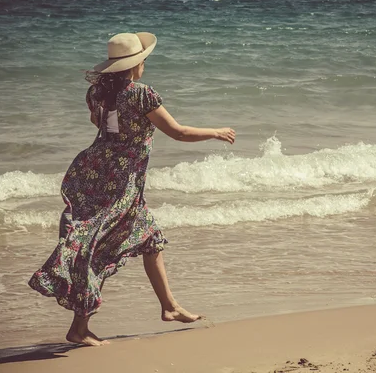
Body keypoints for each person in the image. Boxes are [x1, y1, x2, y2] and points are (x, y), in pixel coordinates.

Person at [28, 32, 236, 346]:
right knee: (93, 245)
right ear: (136, 64)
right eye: (143, 61)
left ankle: (169, 307)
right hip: (120, 182)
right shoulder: (141, 94)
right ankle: (79, 327)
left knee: (150, 239)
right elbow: (177, 133)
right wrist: (216, 132)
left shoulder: (97, 92)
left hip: (95, 172)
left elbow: (100, 124)